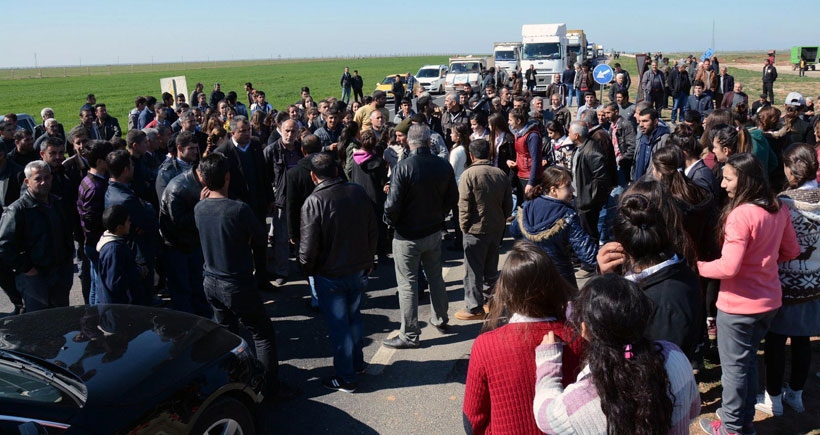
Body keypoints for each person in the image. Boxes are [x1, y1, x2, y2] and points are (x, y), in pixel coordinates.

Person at [697, 153, 800, 435]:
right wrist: (763, 261)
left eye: (728, 178)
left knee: (734, 369)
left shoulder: (740, 215)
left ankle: (731, 427)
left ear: (743, 180)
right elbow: (791, 251)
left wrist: (698, 267)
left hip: (738, 306)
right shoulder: (777, 208)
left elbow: (729, 267)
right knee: (749, 361)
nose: (722, 184)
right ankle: (743, 420)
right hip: (769, 302)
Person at [533, 274, 700, 435]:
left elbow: (543, 414)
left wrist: (548, 364)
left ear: (585, 330)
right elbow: (693, 411)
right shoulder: (675, 355)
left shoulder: (574, 405)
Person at [194, 153, 295, 399]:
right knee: (262, 334)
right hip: (236, 282)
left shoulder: (199, 207)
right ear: (227, 176)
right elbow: (260, 239)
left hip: (211, 281)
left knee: (227, 335)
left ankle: (232, 382)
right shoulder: (238, 209)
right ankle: (270, 388)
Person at [463, 240, 584, 435]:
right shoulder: (578, 338)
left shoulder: (485, 345)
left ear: (506, 292)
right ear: (555, 285)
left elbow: (472, 420)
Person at [298, 153, 376, 393]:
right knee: (353, 320)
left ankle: (347, 377)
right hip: (356, 269)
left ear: (313, 176)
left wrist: (308, 270)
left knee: (340, 327)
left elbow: (307, 247)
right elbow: (372, 227)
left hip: (331, 274)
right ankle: (357, 364)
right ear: (336, 170)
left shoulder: (314, 201)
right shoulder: (356, 191)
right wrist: (369, 259)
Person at [757, 143, 820, 416]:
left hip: (783, 281)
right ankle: (796, 393)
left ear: (790, 168)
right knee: (803, 338)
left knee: (775, 340)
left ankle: (773, 399)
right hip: (814, 281)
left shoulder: (784, 203)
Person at [383, 124, 458, 348]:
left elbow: (392, 205)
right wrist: (440, 215)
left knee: (407, 284)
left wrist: (391, 222)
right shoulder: (442, 165)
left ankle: (410, 334)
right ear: (428, 142)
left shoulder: (403, 167)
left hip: (407, 235)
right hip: (433, 230)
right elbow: (452, 198)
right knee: (435, 276)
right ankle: (441, 317)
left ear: (408, 142)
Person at [0, 161, 74, 312]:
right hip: (35, 279)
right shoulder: (17, 210)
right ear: (27, 182)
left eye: (47, 178)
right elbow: (4, 246)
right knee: (39, 325)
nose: (43, 182)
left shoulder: (57, 203)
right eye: (38, 179)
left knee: (61, 321)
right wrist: (27, 269)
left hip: (59, 275)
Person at [213, 116, 275, 292]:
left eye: (249, 130)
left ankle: (262, 278)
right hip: (237, 208)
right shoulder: (224, 152)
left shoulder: (255, 146)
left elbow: (264, 174)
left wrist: (269, 198)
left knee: (260, 243)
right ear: (233, 132)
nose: (248, 134)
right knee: (242, 247)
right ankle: (246, 283)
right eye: (243, 131)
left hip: (257, 205)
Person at [511, 165, 597, 288]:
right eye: (568, 186)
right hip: (560, 279)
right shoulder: (566, 215)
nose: (572, 189)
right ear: (553, 190)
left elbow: (514, 230)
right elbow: (587, 252)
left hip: (530, 275)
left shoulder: (527, 207)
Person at [455, 139, 512, 320]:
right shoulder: (500, 173)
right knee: (491, 269)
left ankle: (474, 307)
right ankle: (492, 303)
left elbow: (464, 204)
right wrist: (502, 221)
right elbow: (508, 203)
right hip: (495, 228)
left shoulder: (468, 174)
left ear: (471, 155)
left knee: (472, 271)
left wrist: (464, 227)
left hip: (475, 230)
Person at [96, 205, 143, 305]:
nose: (130, 223)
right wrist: (138, 271)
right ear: (119, 227)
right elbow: (115, 283)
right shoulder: (113, 249)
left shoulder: (114, 242)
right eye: (128, 221)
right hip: (118, 308)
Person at [508, 108, 541, 200]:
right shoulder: (517, 133)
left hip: (529, 175)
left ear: (518, 121)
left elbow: (536, 160)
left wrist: (531, 182)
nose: (509, 122)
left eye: (510, 120)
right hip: (520, 173)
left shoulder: (532, 136)